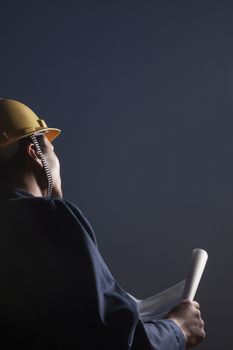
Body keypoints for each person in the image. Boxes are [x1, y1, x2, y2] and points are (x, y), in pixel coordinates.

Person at [0, 98, 205, 349]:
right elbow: (110, 339)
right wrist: (178, 329)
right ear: (34, 153)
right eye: (53, 150)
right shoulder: (45, 217)